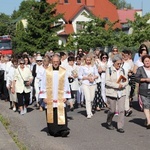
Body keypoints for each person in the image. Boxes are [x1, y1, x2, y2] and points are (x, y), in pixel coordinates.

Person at [39, 54, 71, 137]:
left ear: (59, 61)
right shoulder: (47, 71)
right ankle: (53, 131)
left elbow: (66, 84)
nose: (55, 63)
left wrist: (66, 96)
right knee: (52, 113)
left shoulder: (63, 71)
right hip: (50, 96)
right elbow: (43, 84)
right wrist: (44, 97)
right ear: (51, 62)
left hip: (60, 96)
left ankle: (63, 129)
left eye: (57, 61)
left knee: (61, 112)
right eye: (54, 62)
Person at [105, 54, 128, 133]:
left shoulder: (123, 70)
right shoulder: (109, 70)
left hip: (122, 92)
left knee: (121, 110)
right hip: (112, 92)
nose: (119, 65)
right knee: (112, 110)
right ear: (113, 63)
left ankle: (120, 126)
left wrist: (123, 85)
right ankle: (109, 121)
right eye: (118, 63)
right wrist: (117, 85)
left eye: (120, 63)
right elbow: (107, 82)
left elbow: (126, 81)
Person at [78, 54, 99, 119]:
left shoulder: (94, 66)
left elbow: (97, 74)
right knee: (87, 98)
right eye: (87, 60)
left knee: (91, 99)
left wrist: (93, 77)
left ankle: (90, 109)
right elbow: (79, 76)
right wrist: (87, 78)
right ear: (85, 60)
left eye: (89, 60)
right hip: (85, 83)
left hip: (93, 83)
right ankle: (88, 113)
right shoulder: (82, 67)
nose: (88, 61)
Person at [135, 55, 150, 129]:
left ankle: (147, 119)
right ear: (143, 62)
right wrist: (145, 79)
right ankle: (149, 122)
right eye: (146, 61)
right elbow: (136, 78)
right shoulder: (140, 69)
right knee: (146, 104)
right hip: (144, 90)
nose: (147, 62)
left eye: (148, 61)